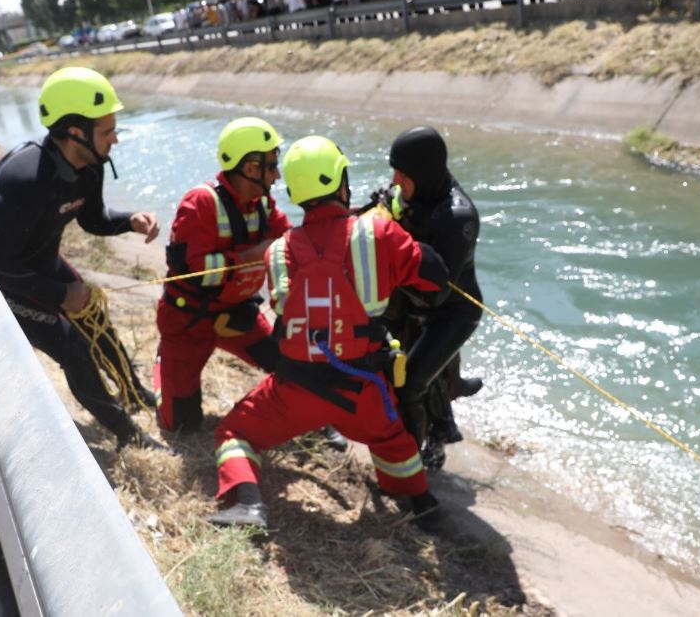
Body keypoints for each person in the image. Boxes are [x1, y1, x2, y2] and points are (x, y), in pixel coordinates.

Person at [208, 135, 449, 531]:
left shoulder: (278, 251)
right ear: (341, 182)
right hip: (363, 389)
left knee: (232, 433)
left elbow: (298, 298)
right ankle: (420, 504)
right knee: (393, 441)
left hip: (294, 392)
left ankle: (248, 505)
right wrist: (393, 224)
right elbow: (434, 274)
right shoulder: (379, 235)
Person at [0, 67, 160, 450]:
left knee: (96, 321)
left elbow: (92, 219)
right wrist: (59, 294)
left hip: (36, 262)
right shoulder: (25, 179)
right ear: (75, 132)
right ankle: (127, 434)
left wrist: (129, 222)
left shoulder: (89, 165)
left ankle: (134, 392)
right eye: (107, 131)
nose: (115, 139)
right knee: (73, 346)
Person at [154, 117, 290, 433]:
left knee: (289, 368)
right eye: (272, 165)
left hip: (236, 316)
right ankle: (164, 366)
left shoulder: (264, 205)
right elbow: (191, 270)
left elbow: (292, 241)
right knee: (180, 425)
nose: (277, 174)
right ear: (251, 168)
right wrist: (252, 256)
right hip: (189, 322)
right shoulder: (200, 202)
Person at [370, 126, 483, 470]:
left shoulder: (457, 218)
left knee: (411, 384)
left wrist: (392, 233)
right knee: (402, 371)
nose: (394, 181)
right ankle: (442, 414)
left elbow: (434, 293)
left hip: (451, 311)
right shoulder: (411, 194)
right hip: (411, 303)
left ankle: (413, 464)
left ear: (422, 174)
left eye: (401, 176)